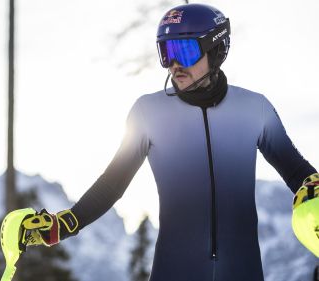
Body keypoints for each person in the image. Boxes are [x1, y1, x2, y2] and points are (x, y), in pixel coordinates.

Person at [17, 3, 318, 281]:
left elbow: (300, 176)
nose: (173, 64)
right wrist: (67, 222)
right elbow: (113, 183)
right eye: (166, 52)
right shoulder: (148, 113)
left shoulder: (255, 109)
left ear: (216, 50)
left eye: (184, 52)